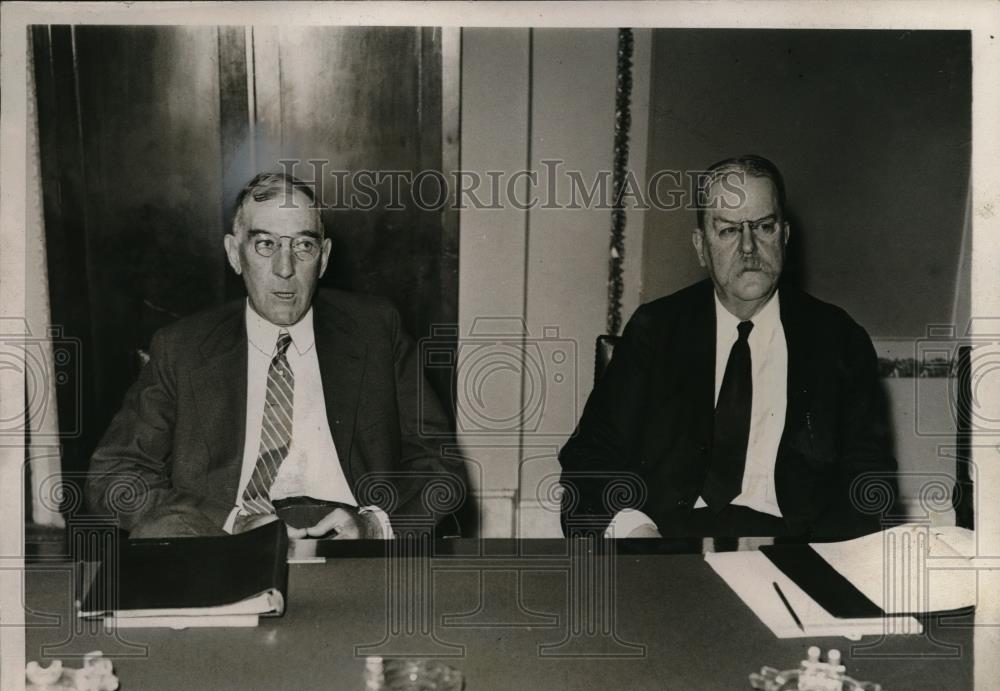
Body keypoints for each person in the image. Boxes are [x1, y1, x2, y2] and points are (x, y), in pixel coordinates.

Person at [86, 172, 465, 539]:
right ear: (235, 254)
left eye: (303, 246)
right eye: (266, 245)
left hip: (350, 544)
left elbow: (440, 464)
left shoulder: (377, 330)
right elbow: (115, 476)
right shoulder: (182, 347)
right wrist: (230, 522)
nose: (285, 269)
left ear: (325, 257)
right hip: (226, 543)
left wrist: (373, 525)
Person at [559, 155, 896, 545]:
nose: (749, 247)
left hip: (797, 547)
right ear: (701, 247)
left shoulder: (839, 339)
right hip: (667, 542)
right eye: (729, 231)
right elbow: (589, 458)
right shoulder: (656, 330)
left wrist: (829, 561)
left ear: (784, 237)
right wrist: (638, 533)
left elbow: (868, 478)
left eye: (764, 227)